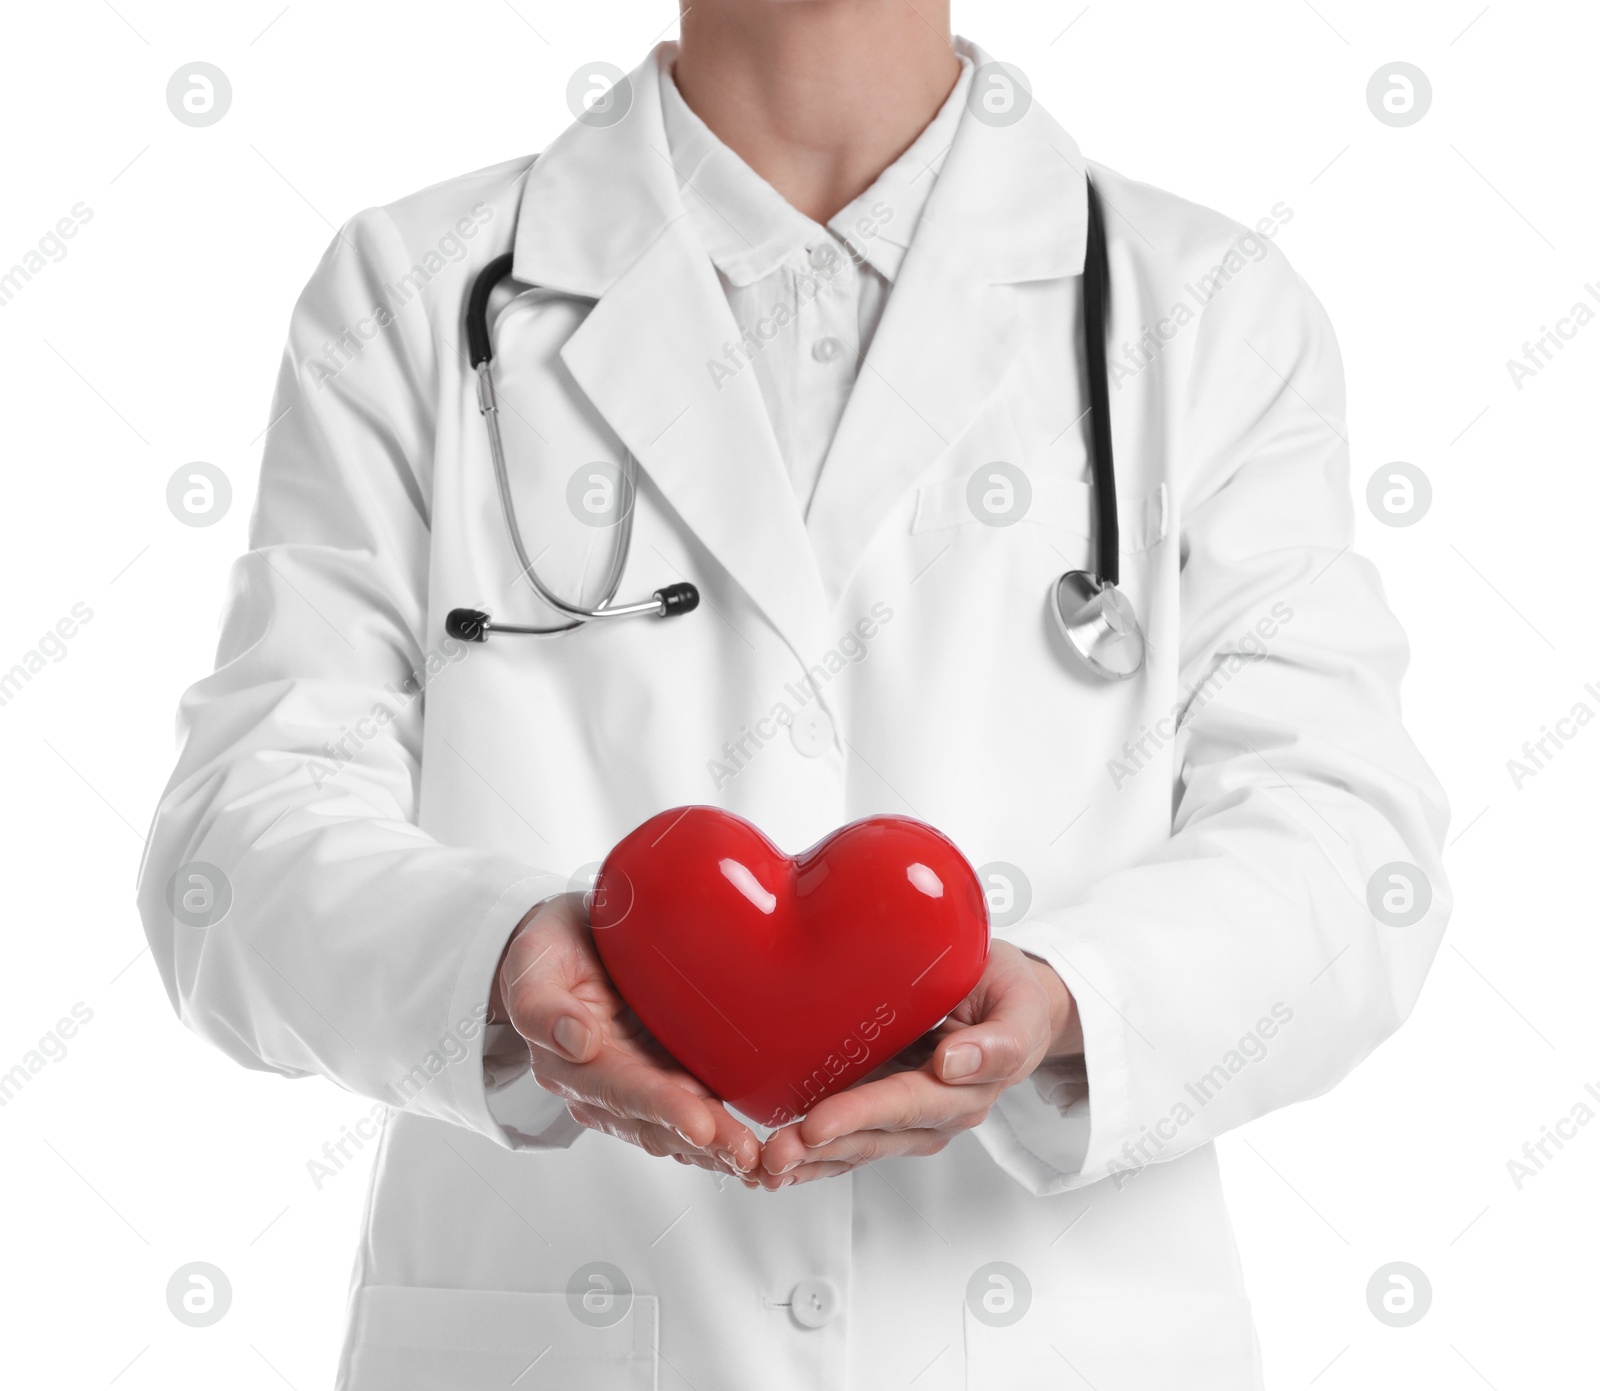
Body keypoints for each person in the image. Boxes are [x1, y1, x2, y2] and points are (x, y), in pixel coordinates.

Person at [137, 1, 1451, 1386]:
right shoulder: (411, 291)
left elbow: (1352, 850)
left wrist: (1074, 1003)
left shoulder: (1206, 306)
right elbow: (231, 846)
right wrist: (491, 959)